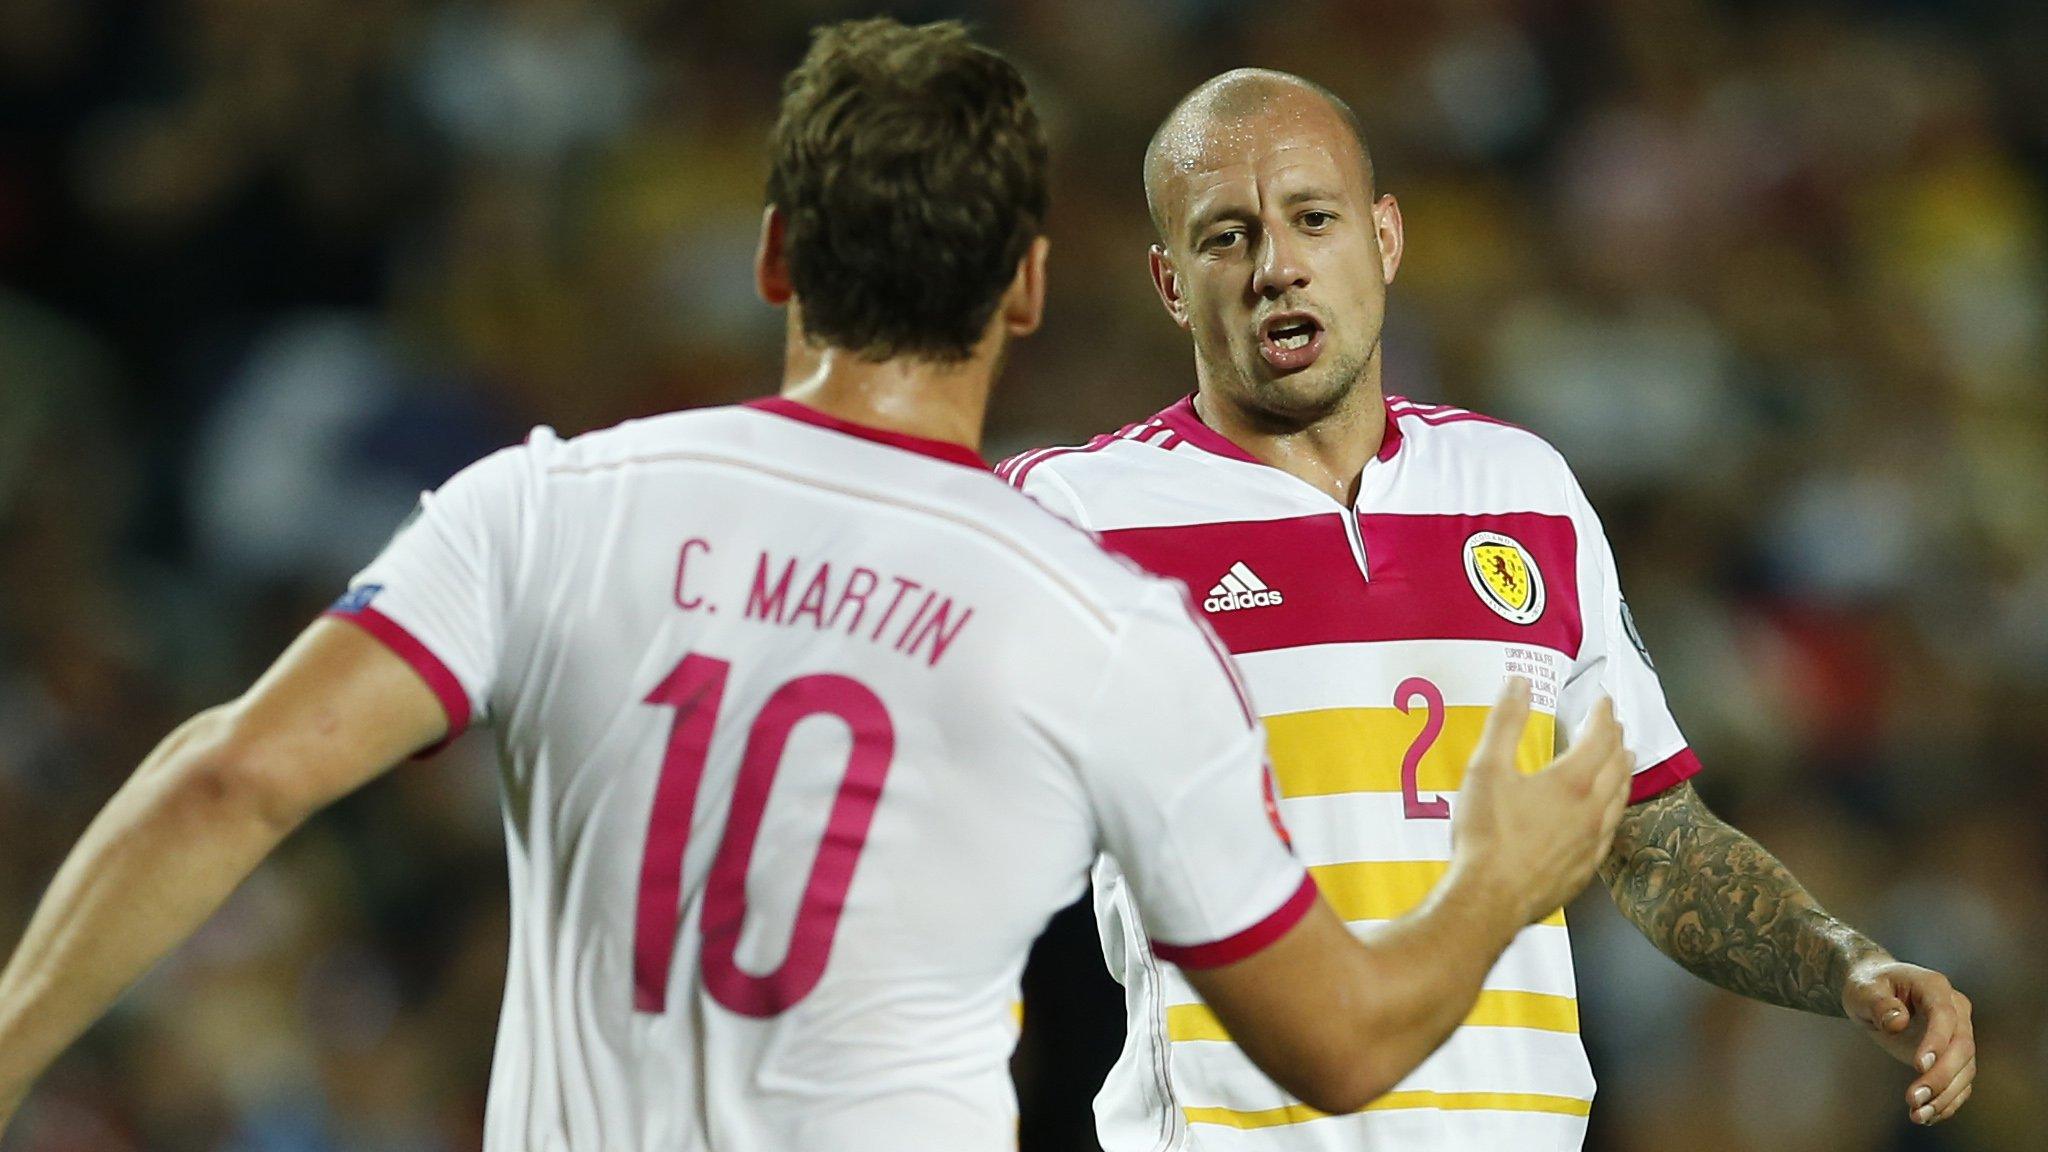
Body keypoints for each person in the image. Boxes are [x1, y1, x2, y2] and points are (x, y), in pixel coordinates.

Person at [0, 22, 1636, 1152]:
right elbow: (1339, 1043)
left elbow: (230, 775)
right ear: (1029, 288)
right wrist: (1496, 874)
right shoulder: (1095, 617)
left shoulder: (548, 503)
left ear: (776, 253)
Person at [998, 69, 1976, 1150]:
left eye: (1311, 220)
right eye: (1224, 237)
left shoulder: (1521, 488)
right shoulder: (1080, 517)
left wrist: (1846, 964)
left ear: (1383, 237)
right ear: (1170, 282)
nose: (1275, 266)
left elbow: (1650, 838)